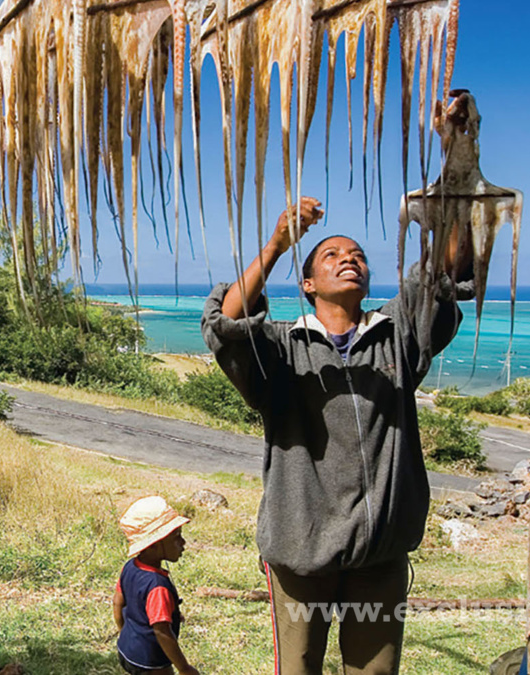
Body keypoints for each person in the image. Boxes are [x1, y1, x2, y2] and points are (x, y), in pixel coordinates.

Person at [200, 197, 473, 675]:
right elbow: (228, 323)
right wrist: (277, 245)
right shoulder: (282, 349)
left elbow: (443, 277)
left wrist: (457, 188)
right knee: (299, 668)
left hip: (380, 553)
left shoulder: (397, 335)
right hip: (301, 553)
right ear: (307, 285)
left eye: (359, 256)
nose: (349, 259)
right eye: (332, 255)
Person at [113, 496, 201, 675]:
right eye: (177, 538)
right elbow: (161, 631)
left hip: (126, 651)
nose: (183, 543)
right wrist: (184, 668)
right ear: (153, 545)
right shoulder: (157, 586)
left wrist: (126, 633)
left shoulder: (129, 567)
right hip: (150, 662)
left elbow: (117, 602)